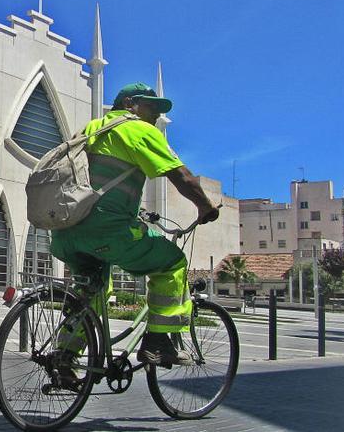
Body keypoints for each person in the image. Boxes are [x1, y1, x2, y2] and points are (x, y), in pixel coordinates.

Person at [49, 82, 219, 366]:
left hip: (66, 232)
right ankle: (158, 341)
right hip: (107, 233)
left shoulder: (90, 129)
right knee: (173, 263)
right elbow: (183, 177)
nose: (154, 115)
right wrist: (205, 206)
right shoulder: (137, 129)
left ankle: (64, 358)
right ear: (130, 104)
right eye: (151, 107)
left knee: (94, 289)